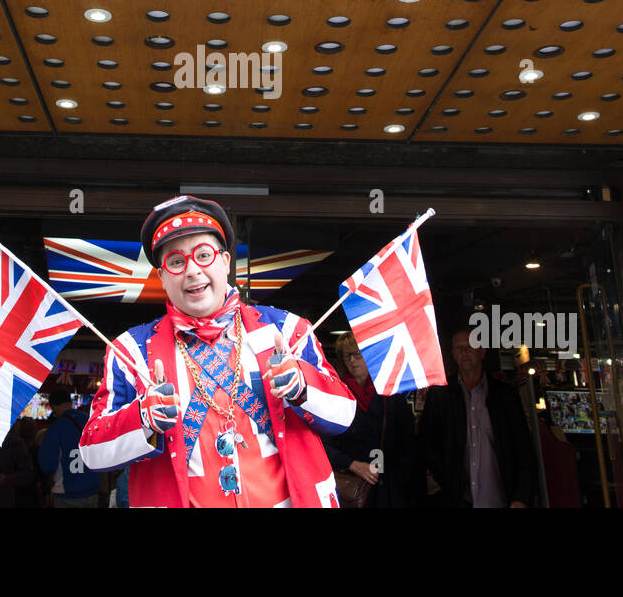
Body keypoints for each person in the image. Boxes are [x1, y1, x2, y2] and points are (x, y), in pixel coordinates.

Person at [78, 195, 355, 507]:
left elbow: (344, 414)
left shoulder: (288, 330)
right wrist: (143, 419)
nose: (192, 271)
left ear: (225, 262)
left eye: (204, 255)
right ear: (163, 277)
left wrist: (302, 386)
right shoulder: (130, 351)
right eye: (177, 261)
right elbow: (92, 451)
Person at [418, 329, 536, 508]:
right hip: (455, 500)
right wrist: (442, 478)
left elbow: (523, 449)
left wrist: (521, 497)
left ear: (482, 352)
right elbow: (426, 442)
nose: (464, 352)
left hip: (500, 499)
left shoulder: (505, 396)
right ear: (453, 354)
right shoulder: (440, 395)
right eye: (459, 348)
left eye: (470, 346)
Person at [323, 333, 417, 508]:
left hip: (388, 487)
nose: (352, 360)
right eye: (347, 355)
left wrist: (398, 479)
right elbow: (323, 444)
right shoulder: (337, 394)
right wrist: (351, 464)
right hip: (352, 486)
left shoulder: (390, 393)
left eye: (357, 354)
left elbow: (408, 443)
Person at [38, 388, 101, 507]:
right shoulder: (89, 420)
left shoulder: (56, 428)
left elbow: (47, 465)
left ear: (54, 406)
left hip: (67, 492)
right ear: (70, 402)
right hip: (92, 489)